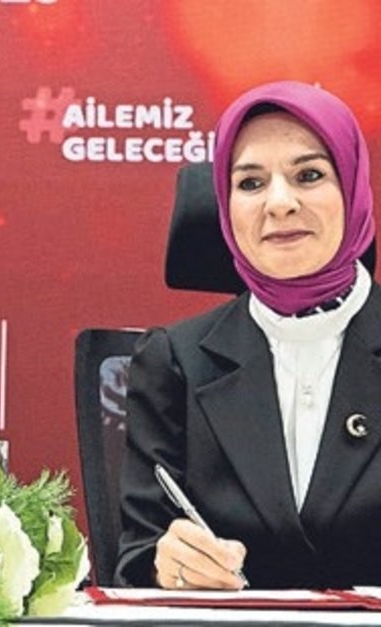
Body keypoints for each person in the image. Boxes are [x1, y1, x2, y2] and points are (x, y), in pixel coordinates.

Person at [117, 81, 381, 590]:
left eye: (308, 175)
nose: (279, 203)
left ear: (353, 190)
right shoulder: (174, 360)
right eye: (251, 183)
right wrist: (167, 564)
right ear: (225, 204)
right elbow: (136, 557)